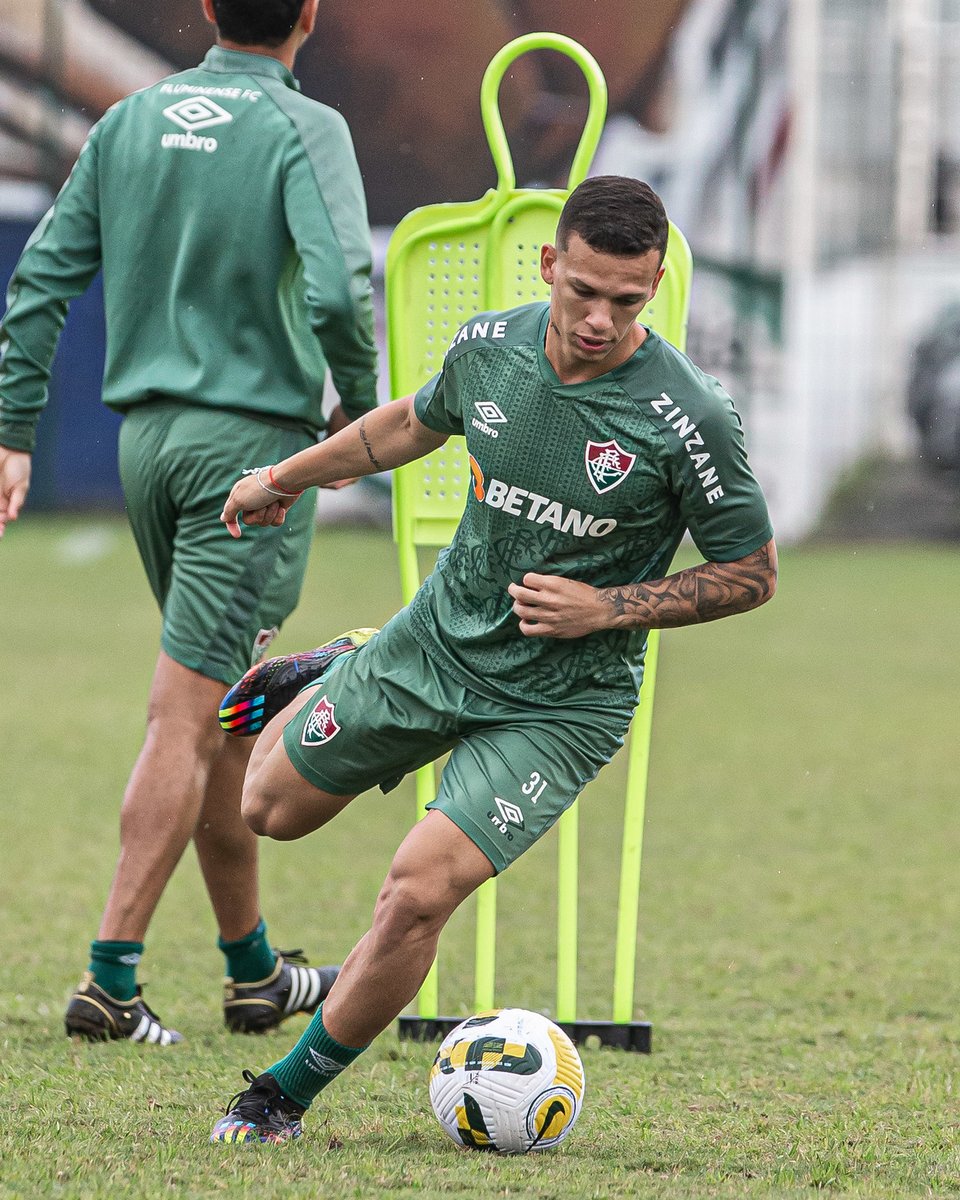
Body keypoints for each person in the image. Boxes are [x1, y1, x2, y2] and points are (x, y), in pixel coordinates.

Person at [209, 175, 777, 1142]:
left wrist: (608, 607)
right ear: (550, 265)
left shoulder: (692, 418)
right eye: (583, 292)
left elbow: (752, 573)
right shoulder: (490, 345)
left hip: (562, 704)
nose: (600, 320)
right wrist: (280, 478)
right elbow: (404, 425)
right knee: (268, 812)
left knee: (420, 889)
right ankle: (348, 657)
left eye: (627, 301)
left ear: (657, 284)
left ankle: (281, 1094)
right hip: (434, 641)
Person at [0, 0, 379, 1044]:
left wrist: (11, 429)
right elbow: (345, 292)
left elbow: (39, 282)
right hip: (251, 461)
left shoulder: (130, 121)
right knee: (188, 712)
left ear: (206, 9)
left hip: (148, 451)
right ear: (311, 14)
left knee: (222, 709)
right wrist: (356, 411)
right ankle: (111, 983)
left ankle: (253, 969)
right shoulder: (309, 129)